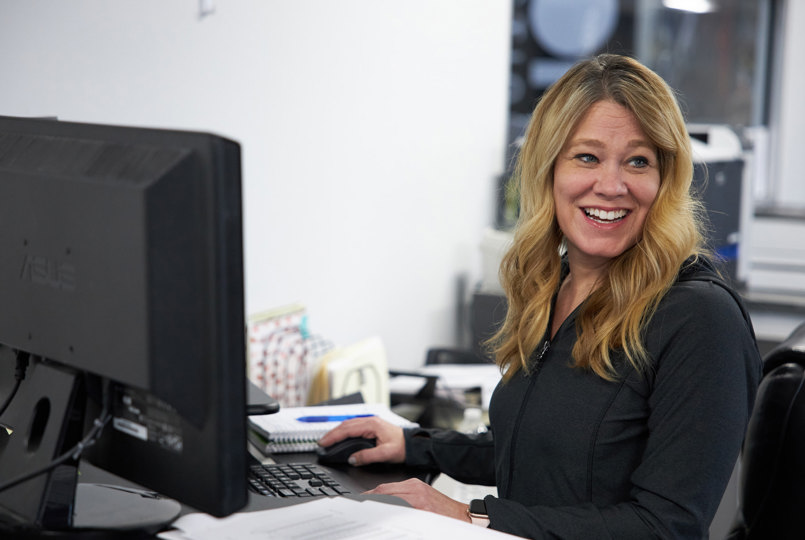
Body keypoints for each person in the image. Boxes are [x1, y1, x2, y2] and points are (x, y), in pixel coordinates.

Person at [319, 54, 762, 539]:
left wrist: (470, 515)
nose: (611, 186)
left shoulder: (700, 318)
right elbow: (544, 453)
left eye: (639, 161)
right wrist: (416, 446)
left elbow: (665, 526)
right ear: (548, 168)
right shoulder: (558, 284)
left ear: (664, 179)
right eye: (587, 157)